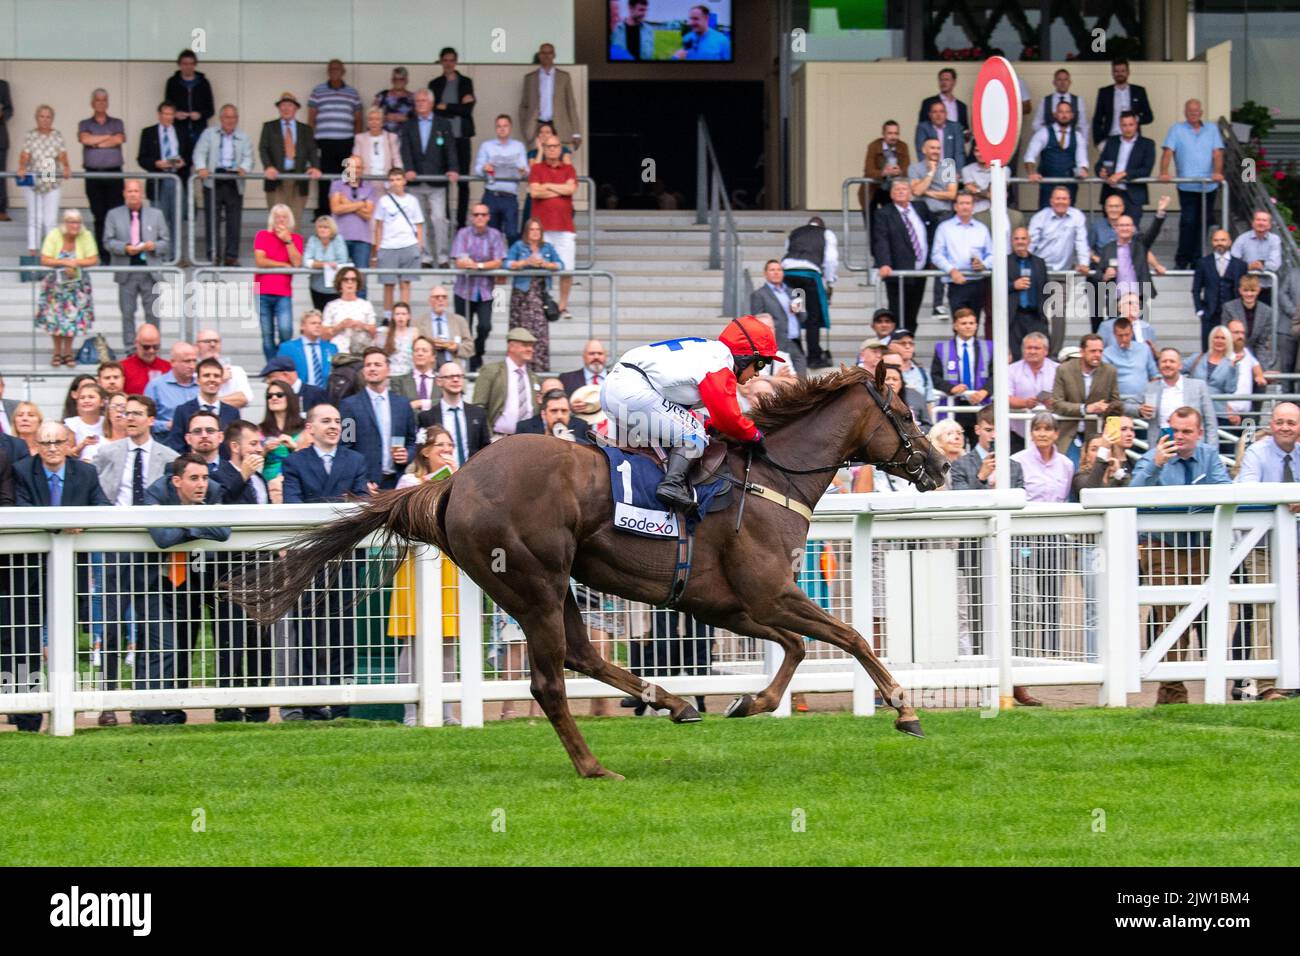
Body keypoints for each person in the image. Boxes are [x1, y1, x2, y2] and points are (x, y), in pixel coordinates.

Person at [601, 316, 777, 512]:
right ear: (745, 356)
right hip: (632, 390)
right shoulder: (720, 364)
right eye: (760, 363)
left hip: (620, 388)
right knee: (694, 434)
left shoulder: (711, 352)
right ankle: (671, 486)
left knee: (693, 429)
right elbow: (728, 418)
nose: (758, 373)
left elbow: (679, 408)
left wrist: (710, 424)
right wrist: (753, 435)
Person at [10, 423, 110, 732]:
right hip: (29, 569)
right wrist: (65, 526)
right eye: (45, 442)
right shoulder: (23, 470)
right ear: (36, 445)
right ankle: (27, 713)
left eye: (57, 442)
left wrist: (79, 524)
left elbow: (103, 507)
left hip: (71, 569)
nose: (52, 447)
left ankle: (65, 705)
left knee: (66, 637)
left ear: (70, 444)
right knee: (24, 639)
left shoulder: (86, 473)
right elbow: (25, 511)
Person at [1131, 406, 1231, 705]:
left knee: (1208, 615)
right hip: (1163, 546)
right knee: (1172, 618)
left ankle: (1202, 688)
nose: (1181, 436)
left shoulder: (1210, 456)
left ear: (1199, 433)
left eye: (1187, 431)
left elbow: (1225, 489)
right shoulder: (1153, 456)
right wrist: (1156, 466)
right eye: (1176, 430)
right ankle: (1174, 692)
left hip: (1202, 545)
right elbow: (1131, 495)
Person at [279, 404, 369, 720]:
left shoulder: (355, 460)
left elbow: (360, 505)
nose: (333, 426)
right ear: (310, 427)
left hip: (344, 559)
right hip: (308, 561)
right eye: (326, 421)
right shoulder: (294, 462)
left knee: (343, 632)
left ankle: (341, 703)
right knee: (307, 631)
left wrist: (327, 505)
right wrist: (338, 504)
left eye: (336, 421)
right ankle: (311, 702)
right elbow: (293, 506)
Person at [93, 394, 179, 723]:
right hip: (115, 550)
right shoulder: (107, 453)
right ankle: (108, 702)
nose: (130, 418)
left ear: (151, 419)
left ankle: (145, 703)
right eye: (126, 413)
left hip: (154, 553)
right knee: (112, 628)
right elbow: (97, 494)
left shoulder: (169, 457)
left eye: (137, 414)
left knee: (152, 627)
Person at [132, 453, 230, 725]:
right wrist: (197, 524)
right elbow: (163, 539)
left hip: (190, 582)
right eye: (194, 479)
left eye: (205, 478)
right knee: (162, 646)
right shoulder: (155, 493)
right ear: (176, 481)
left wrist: (184, 525)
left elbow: (223, 532)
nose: (202, 485)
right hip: (154, 581)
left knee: (183, 647)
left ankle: (172, 709)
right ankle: (149, 711)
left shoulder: (213, 491)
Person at [391, 426, 461, 726]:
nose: (446, 450)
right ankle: (410, 711)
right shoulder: (408, 480)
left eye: (450, 445)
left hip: (446, 563)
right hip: (414, 566)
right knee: (414, 637)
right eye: (440, 446)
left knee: (447, 638)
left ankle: (447, 712)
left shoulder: (460, 477)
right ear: (425, 451)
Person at [211, 420, 276, 722]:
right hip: (230, 573)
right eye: (253, 444)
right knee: (231, 639)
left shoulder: (261, 478)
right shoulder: (218, 474)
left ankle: (259, 705)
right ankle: (228, 705)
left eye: (260, 444)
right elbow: (217, 503)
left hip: (262, 570)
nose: (258, 450)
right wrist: (243, 475)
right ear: (235, 447)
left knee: (260, 639)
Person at [102, 178, 170, 349]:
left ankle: (153, 347)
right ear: (124, 194)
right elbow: (107, 242)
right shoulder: (113, 214)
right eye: (130, 191)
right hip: (127, 271)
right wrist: (125, 248)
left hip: (150, 271)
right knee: (127, 313)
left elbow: (166, 242)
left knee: (152, 314)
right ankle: (130, 349)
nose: (133, 194)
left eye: (136, 191)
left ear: (142, 194)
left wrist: (152, 246)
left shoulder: (156, 214)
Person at [339, 347, 417, 491]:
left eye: (377, 365)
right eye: (368, 365)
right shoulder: (349, 405)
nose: (372, 368)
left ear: (388, 369)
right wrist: (359, 480)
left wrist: (407, 454)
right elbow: (345, 447)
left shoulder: (402, 405)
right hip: (364, 485)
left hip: (396, 483)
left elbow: (412, 441)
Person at [1159, 98, 1225, 269]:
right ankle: (1182, 260)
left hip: (1208, 186)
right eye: (1189, 112)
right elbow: (1168, 152)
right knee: (1188, 222)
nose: (1193, 114)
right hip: (1187, 186)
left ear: (1201, 113)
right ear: (1185, 113)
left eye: (1196, 111)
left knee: (1203, 223)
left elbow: (1217, 153)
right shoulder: (1177, 129)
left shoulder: (1211, 129)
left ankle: (1197, 261)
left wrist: (1217, 172)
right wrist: (1164, 172)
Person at [398, 89, 458, 267]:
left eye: (424, 101)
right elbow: (405, 149)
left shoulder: (443, 123)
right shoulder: (409, 125)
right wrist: (408, 169)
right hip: (415, 180)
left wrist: (453, 168)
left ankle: (442, 257)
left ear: (431, 103)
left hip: (437, 180)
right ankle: (424, 257)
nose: (420, 104)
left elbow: (450, 148)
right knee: (419, 220)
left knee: (439, 219)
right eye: (417, 101)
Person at [192, 104, 253, 266]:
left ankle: (231, 256)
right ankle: (213, 255)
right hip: (213, 179)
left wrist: (244, 167)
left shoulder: (244, 136)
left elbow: (249, 157)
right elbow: (199, 152)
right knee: (212, 220)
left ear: (237, 119)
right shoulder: (209, 134)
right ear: (220, 118)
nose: (230, 120)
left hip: (234, 179)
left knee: (234, 221)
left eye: (233, 117)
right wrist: (201, 167)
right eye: (227, 117)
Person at [36, 209, 98, 367]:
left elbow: (92, 259)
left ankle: (68, 353)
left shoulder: (86, 235)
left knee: (73, 319)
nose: (75, 225)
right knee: (54, 319)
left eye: (77, 222)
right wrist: (65, 262)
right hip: (55, 286)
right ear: (64, 223)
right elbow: (44, 259)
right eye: (71, 222)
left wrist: (75, 262)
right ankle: (57, 353)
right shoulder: (54, 234)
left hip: (77, 285)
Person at [1050, 334, 1123, 467]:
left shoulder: (1109, 371)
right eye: (1093, 351)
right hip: (1069, 432)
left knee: (1096, 472)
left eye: (1100, 351)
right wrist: (1085, 409)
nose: (1097, 355)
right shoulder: (1064, 370)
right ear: (1082, 351)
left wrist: (1107, 407)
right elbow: (1057, 403)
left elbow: (1116, 404)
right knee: (1072, 469)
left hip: (1097, 433)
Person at [452, 201, 508, 370]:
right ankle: (468, 362)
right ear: (471, 217)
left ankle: (478, 352)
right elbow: (458, 260)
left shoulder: (495, 235)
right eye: (476, 214)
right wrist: (467, 263)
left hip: (485, 290)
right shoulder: (463, 233)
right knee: (464, 328)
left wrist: (479, 266)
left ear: (488, 217)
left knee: (485, 326)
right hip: (463, 290)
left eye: (483, 214)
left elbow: (498, 261)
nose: (479, 218)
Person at [504, 217, 564, 370]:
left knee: (540, 334)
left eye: (538, 229)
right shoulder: (518, 246)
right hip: (522, 295)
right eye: (532, 229)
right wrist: (525, 263)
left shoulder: (547, 247)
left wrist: (546, 264)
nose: (535, 232)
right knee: (522, 331)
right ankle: (519, 367)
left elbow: (560, 264)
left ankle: (540, 369)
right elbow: (507, 263)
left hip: (540, 294)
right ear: (526, 232)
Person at [528, 137, 578, 319]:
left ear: (560, 149)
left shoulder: (569, 168)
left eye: (556, 146)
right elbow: (534, 192)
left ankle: (563, 306)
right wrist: (560, 188)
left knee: (567, 269)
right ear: (544, 148)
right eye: (548, 146)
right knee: (538, 267)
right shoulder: (536, 168)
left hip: (565, 228)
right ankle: (539, 303)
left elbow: (570, 190)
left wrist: (547, 186)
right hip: (541, 229)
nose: (552, 149)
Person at [307, 60, 363, 220]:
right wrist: (312, 142)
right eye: (331, 69)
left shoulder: (352, 93)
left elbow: (358, 119)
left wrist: (356, 143)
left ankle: (349, 209)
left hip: (346, 141)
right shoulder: (318, 91)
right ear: (328, 71)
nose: (334, 71)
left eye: (338, 69)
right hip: (324, 141)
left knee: (349, 176)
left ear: (343, 71)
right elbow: (312, 118)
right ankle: (324, 213)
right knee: (324, 178)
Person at [1091, 212, 1167, 329]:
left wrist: (1160, 214)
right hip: (1115, 299)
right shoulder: (1108, 248)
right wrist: (1105, 276)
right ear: (1115, 228)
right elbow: (1097, 273)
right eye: (1121, 225)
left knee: (1140, 331)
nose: (1125, 228)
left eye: (1128, 225)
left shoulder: (1140, 245)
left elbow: (1153, 232)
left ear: (1133, 228)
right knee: (1115, 333)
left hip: (1138, 298)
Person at [873, 177, 930, 332]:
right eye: (896, 189)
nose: (900, 192)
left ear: (911, 193)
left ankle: (907, 349)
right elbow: (880, 240)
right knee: (897, 315)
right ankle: (896, 350)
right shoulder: (883, 214)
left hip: (920, 271)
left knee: (912, 315)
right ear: (891, 194)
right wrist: (884, 263)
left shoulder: (921, 208)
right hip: (897, 272)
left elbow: (930, 232)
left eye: (904, 189)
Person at [77, 89, 127, 264]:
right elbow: (85, 140)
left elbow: (119, 139)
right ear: (92, 103)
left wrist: (96, 142)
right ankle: (103, 255)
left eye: (104, 100)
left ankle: (118, 254)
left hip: (114, 173)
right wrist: (108, 138)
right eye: (98, 100)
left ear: (107, 102)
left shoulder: (117, 122)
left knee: (117, 215)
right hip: (93, 174)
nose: (101, 103)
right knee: (99, 215)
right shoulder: (84, 123)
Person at [429, 47, 477, 230]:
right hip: (443, 138)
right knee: (444, 180)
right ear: (441, 61)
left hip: (462, 137)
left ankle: (461, 223)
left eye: (452, 60)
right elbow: (434, 110)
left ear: (456, 62)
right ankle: (446, 219)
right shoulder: (434, 84)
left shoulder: (466, 82)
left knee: (463, 180)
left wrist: (445, 106)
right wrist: (455, 107)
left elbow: (467, 111)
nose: (448, 63)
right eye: (445, 60)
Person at [781, 215, 838, 366]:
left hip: (789, 275)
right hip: (809, 274)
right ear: (821, 225)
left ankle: (796, 352)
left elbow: (787, 250)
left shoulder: (795, 232)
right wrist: (830, 282)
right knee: (813, 315)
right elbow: (831, 260)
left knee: (796, 312)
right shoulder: (826, 233)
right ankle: (814, 357)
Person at [259, 92, 321, 230]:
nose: (286, 108)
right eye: (283, 105)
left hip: (298, 180)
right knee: (277, 221)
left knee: (295, 222)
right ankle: (276, 252)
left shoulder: (305, 129)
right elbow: (263, 148)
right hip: (276, 180)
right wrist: (268, 166)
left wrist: (315, 167)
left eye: (290, 105)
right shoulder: (269, 127)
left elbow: (312, 150)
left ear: (296, 108)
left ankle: (293, 252)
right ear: (279, 108)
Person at [931, 308, 991, 447]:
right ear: (955, 326)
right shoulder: (942, 348)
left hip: (980, 404)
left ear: (977, 325)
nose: (968, 326)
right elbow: (935, 376)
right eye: (964, 323)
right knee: (953, 447)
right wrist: (951, 388)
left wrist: (984, 391)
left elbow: (996, 375)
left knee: (982, 448)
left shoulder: (988, 347)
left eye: (971, 323)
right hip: (954, 405)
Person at [16, 104, 71, 255]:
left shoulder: (57, 135)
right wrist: (21, 166)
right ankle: (33, 254)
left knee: (50, 221)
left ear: (52, 119)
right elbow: (25, 154)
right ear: (37, 118)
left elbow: (62, 154)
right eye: (42, 116)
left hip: (50, 174)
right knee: (35, 219)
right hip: (33, 177)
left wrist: (66, 166)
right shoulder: (31, 135)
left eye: (48, 117)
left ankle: (50, 255)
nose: (45, 120)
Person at [253, 204, 304, 362]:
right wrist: (282, 265)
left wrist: (288, 241)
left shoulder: (296, 239)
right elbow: (260, 261)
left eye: (284, 217)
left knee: (285, 331)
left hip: (283, 291)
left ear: (290, 220)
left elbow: (296, 263)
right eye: (277, 216)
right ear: (272, 219)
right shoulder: (262, 235)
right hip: (261, 290)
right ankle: (272, 369)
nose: (280, 220)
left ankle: (280, 364)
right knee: (267, 333)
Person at [931, 192, 992, 324]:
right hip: (956, 282)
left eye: (968, 203)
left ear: (973, 206)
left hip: (978, 282)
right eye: (961, 203)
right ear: (955, 206)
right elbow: (936, 255)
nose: (965, 207)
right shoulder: (945, 228)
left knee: (973, 325)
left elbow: (991, 254)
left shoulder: (982, 228)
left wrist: (984, 264)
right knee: (959, 325)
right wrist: (952, 271)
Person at [372, 167, 425, 317]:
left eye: (398, 179)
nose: (395, 183)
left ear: (404, 181)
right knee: (388, 284)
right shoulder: (383, 201)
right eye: (392, 180)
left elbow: (419, 224)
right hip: (388, 246)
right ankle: (388, 317)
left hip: (408, 244)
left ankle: (404, 316)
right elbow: (379, 226)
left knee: (405, 283)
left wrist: (418, 245)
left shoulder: (412, 200)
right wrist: (378, 249)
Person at [1141, 348, 1219, 446]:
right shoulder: (1150, 387)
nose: (1167, 364)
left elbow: (1210, 421)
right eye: (1164, 361)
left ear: (1180, 365)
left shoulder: (1198, 386)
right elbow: (1128, 405)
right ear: (1158, 365)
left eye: (1172, 361)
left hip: (1192, 445)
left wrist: (1212, 449)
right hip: (1161, 444)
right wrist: (1140, 410)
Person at [417, 362, 490, 465]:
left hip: (472, 476)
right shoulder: (427, 417)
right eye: (450, 376)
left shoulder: (478, 413)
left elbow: (486, 449)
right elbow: (423, 452)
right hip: (441, 476)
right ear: (439, 381)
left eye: (459, 376)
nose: (455, 380)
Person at [473, 327, 543, 436]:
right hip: (498, 439)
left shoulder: (534, 377)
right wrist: (488, 435)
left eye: (531, 346)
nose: (530, 349)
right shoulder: (491, 371)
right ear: (511, 347)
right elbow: (478, 406)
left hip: (529, 440)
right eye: (525, 345)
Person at [1023, 99, 1090, 209]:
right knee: (1045, 215)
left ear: (1072, 115)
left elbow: (1082, 161)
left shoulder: (1078, 136)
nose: (1064, 115)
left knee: (1069, 216)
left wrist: (1084, 171)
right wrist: (1031, 173)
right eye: (1061, 112)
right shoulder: (1043, 133)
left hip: (1070, 186)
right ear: (1055, 114)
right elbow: (1030, 156)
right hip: (1048, 185)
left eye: (1067, 112)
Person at [165, 357, 239, 453]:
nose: (212, 379)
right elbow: (177, 446)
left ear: (221, 380)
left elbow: (235, 447)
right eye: (206, 375)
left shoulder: (232, 412)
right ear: (197, 380)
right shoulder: (182, 411)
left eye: (216, 376)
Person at [476, 114, 529, 245]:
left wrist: (523, 171)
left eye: (505, 126)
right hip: (491, 195)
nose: (502, 129)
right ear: (495, 128)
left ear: (510, 128)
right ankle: (494, 263)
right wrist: (484, 167)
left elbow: (526, 170)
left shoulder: (518, 146)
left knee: (512, 233)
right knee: (491, 234)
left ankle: (511, 262)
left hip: (510, 197)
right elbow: (477, 169)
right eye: (499, 126)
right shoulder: (486, 146)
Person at [135, 101, 186, 240]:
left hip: (177, 177)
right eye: (165, 113)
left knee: (177, 218)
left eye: (171, 114)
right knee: (158, 218)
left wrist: (183, 162)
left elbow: (189, 154)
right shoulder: (148, 132)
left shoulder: (181, 132)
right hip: (158, 179)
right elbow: (141, 158)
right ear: (159, 115)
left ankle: (176, 256)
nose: (168, 117)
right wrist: (155, 164)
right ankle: (160, 256)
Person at [1192, 229, 1249, 351]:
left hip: (1233, 314)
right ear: (1212, 242)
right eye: (1216, 240)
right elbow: (1196, 289)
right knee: (1208, 348)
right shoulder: (1203, 263)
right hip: (1210, 313)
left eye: (1223, 240)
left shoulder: (1240, 265)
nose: (1219, 243)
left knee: (1233, 348)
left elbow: (1243, 288)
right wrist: (1200, 310)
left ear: (1229, 242)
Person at [1097, 111, 1155, 227]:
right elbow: (1099, 164)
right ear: (1119, 126)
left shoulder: (1147, 144)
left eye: (1131, 124)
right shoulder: (1111, 141)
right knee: (1109, 232)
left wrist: (1123, 174)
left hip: (1132, 196)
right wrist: (1101, 172)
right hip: (1111, 193)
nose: (1128, 128)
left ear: (1136, 125)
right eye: (1124, 125)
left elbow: (1146, 170)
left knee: (1131, 232)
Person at [750, 260, 807, 377]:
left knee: (802, 382)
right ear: (765, 273)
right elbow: (758, 321)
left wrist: (798, 310)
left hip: (795, 343)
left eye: (779, 270)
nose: (776, 273)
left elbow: (804, 318)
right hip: (776, 344)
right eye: (772, 270)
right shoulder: (759, 294)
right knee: (781, 382)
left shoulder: (792, 292)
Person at [519, 42, 582, 149]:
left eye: (549, 52)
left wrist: (576, 133)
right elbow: (523, 106)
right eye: (543, 52)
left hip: (559, 126)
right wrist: (526, 127)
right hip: (536, 127)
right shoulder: (530, 78)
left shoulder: (564, 77)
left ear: (554, 55)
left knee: (559, 162)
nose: (546, 55)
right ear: (539, 55)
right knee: (536, 161)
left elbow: (570, 105)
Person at [1222, 274, 1289, 374]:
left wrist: (1262, 369)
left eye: (1252, 290)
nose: (1249, 294)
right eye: (1246, 290)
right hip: (1232, 355)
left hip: (1255, 356)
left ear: (1258, 290)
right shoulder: (1229, 308)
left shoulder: (1267, 311)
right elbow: (1226, 337)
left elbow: (1261, 343)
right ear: (1240, 290)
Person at [950, 405, 1025, 491]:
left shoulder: (1016, 467)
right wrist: (981, 477)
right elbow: (961, 500)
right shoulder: (959, 465)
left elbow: (1019, 500)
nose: (994, 436)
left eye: (999, 430)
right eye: (988, 430)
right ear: (977, 430)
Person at [1006, 331, 1058, 453]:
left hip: (1050, 433)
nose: (1032, 351)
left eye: (1037, 348)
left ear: (1046, 351)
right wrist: (1025, 403)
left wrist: (1053, 403)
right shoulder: (1011, 370)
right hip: (1018, 433)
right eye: (1028, 348)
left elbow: (1066, 398)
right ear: (1023, 350)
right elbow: (1004, 398)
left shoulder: (1058, 369)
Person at [1007, 226, 1052, 358]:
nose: (1020, 241)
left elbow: (1045, 287)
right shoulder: (1004, 262)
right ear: (1012, 241)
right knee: (1015, 356)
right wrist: (1013, 286)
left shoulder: (1039, 262)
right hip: (1015, 317)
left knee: (1040, 354)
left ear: (1029, 240)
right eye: (1016, 239)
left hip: (1035, 316)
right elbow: (995, 287)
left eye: (1023, 238)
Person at [329, 155, 379, 272]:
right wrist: (361, 204)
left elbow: (367, 215)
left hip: (362, 239)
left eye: (359, 167)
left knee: (361, 279)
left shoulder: (369, 188)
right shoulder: (337, 184)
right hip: (339, 238)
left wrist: (346, 202)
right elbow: (336, 208)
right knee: (338, 278)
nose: (355, 170)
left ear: (362, 170)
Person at [163, 49, 214, 165]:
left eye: (191, 64)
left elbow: (210, 110)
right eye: (185, 64)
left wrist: (200, 115)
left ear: (195, 65)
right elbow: (166, 108)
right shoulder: (172, 83)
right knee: (182, 164)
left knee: (202, 164)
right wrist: (175, 114)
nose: (188, 67)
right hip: (179, 130)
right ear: (179, 65)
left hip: (199, 130)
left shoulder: (203, 83)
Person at [1104, 316, 1160, 418]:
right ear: (1114, 335)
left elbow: (1154, 376)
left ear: (1132, 333)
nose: (1124, 339)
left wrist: (1151, 398)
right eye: (1120, 335)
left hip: (1142, 401)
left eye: (1127, 335)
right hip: (1119, 404)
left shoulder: (1144, 349)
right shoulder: (1107, 353)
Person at [860, 120, 909, 235]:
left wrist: (899, 171)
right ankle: (874, 251)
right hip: (873, 190)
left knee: (892, 224)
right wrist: (884, 172)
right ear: (883, 134)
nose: (893, 136)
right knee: (872, 226)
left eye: (896, 133)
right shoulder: (874, 146)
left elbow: (907, 169)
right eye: (890, 133)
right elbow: (868, 170)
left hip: (891, 190)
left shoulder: (903, 146)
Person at [1092, 58, 1154, 147]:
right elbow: (1097, 119)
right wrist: (1099, 142)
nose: (1119, 74)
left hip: (1133, 139)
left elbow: (1149, 117)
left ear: (1128, 72)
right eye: (1116, 71)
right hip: (1111, 138)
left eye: (1122, 71)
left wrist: (1135, 118)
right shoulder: (1105, 92)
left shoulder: (1139, 91)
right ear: (1112, 73)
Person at [410, 286, 474, 369]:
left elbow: (470, 347)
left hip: (453, 368)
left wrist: (456, 347)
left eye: (444, 297)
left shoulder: (459, 321)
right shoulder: (418, 322)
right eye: (437, 297)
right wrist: (431, 345)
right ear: (430, 301)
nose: (441, 299)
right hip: (429, 369)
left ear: (447, 301)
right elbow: (412, 348)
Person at [259, 380, 311, 482]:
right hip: (268, 483)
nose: (274, 398)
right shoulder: (260, 429)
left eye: (279, 395)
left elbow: (312, 459)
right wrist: (264, 451)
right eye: (269, 396)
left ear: (289, 398)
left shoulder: (305, 427)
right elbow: (252, 462)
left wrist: (294, 447)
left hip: (295, 480)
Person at [319, 266, 376, 358]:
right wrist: (340, 326)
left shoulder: (366, 305)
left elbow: (374, 333)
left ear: (358, 283)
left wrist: (362, 325)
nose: (350, 282)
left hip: (361, 352)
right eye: (345, 279)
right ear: (340, 283)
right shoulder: (331, 306)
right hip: (339, 354)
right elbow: (324, 336)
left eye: (353, 279)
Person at [144, 340, 198, 437]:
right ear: (173, 362)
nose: (192, 366)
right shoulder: (156, 386)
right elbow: (143, 419)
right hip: (167, 441)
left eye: (194, 361)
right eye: (187, 361)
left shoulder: (201, 385)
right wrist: (166, 425)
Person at [1231, 209, 1283, 306]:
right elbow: (1233, 263)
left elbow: (1275, 265)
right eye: (1258, 220)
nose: (1261, 223)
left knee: (1266, 319)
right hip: (1246, 289)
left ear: (1269, 224)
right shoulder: (1242, 239)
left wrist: (1261, 265)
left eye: (1264, 220)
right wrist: (1247, 267)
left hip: (1266, 289)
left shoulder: (1274, 240)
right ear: (1253, 223)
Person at [1071, 421, 1137, 498]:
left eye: (1102, 449)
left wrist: (1119, 473)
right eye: (1094, 449)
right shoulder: (1079, 477)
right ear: (1086, 456)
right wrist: (1103, 451)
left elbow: (1132, 494)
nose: (1099, 453)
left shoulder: (1116, 479)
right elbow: (1091, 490)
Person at [278, 308, 338, 390]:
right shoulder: (287, 348)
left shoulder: (331, 348)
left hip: (325, 395)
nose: (317, 326)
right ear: (302, 326)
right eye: (313, 323)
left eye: (320, 323)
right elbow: (280, 374)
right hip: (298, 394)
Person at [302, 215, 351, 312]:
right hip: (316, 286)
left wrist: (317, 263)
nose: (322, 230)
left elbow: (342, 260)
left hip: (335, 287)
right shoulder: (313, 240)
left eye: (325, 227)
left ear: (331, 228)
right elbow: (306, 261)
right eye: (320, 227)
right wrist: (325, 264)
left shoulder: (338, 239)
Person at [194, 328, 251, 409]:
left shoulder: (236, 371)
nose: (213, 344)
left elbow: (244, 399)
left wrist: (206, 402)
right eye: (207, 341)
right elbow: (186, 404)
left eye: (216, 341)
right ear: (196, 346)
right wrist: (220, 380)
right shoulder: (191, 371)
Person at [260, 355, 328, 414]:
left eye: (271, 377)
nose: (268, 381)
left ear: (286, 375)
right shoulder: (272, 395)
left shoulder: (316, 394)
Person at [352, 106, 401, 180]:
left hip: (387, 180)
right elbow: (356, 161)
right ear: (367, 122)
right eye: (370, 119)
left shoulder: (391, 137)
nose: (374, 122)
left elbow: (397, 160)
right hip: (366, 180)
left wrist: (398, 177)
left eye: (377, 119)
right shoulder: (360, 138)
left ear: (382, 122)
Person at [120, 323, 169, 394]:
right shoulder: (123, 368)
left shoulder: (168, 368)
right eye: (146, 347)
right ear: (136, 343)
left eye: (155, 347)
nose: (151, 351)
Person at [1033, 68, 1087, 134]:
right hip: (1050, 142)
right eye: (1059, 79)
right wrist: (1046, 137)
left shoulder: (1078, 100)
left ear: (1070, 82)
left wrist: (1083, 143)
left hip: (1071, 141)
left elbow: (1083, 125)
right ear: (1054, 82)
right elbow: (1036, 123)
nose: (1062, 83)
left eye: (1065, 79)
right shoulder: (1045, 100)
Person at [65, 379, 106, 461]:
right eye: (82, 398)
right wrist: (82, 445)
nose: (86, 401)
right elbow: (67, 453)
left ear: (102, 402)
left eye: (91, 397)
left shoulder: (106, 422)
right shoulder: (72, 424)